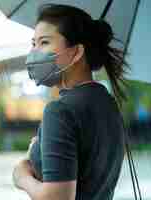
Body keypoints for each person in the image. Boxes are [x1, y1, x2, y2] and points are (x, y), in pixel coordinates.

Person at [12, 4, 128, 200]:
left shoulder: (60, 110)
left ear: (76, 52)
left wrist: (21, 176)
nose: (33, 53)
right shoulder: (108, 103)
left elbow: (57, 197)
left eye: (44, 42)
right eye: (33, 43)